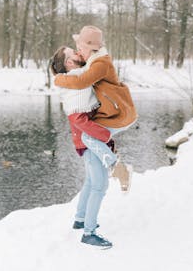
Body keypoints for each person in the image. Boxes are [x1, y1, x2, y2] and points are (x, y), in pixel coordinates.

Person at [54, 26, 137, 248]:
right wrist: (104, 137)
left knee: (91, 182)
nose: (78, 53)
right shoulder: (74, 80)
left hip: (87, 137)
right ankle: (89, 233)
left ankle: (80, 220)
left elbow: (86, 83)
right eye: (74, 53)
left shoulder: (83, 72)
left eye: (79, 49)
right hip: (87, 138)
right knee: (99, 186)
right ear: (69, 63)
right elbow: (79, 120)